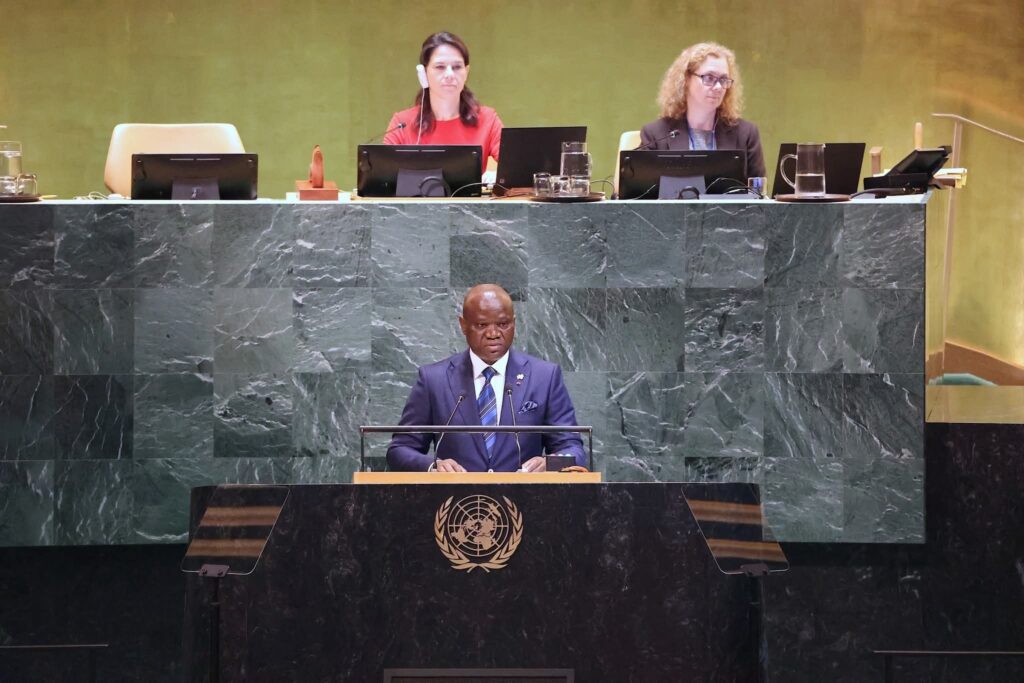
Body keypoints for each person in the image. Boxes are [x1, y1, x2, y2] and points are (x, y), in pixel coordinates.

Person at [386, 284, 585, 473]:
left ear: (514, 323)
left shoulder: (545, 377)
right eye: (482, 325)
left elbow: (572, 448)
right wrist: (434, 466)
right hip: (456, 503)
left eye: (503, 324)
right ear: (463, 325)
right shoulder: (434, 379)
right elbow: (400, 449)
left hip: (526, 502)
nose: (493, 334)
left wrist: (550, 464)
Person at [640, 42, 766, 179]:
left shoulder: (746, 134)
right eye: (709, 78)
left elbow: (759, 194)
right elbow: (636, 194)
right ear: (686, 79)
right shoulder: (655, 135)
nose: (718, 87)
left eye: (723, 79)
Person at [383, 31, 503, 171]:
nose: (450, 74)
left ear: (466, 72)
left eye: (457, 67)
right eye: (440, 67)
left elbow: (517, 169)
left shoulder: (488, 119)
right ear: (423, 73)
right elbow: (384, 178)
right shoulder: (401, 124)